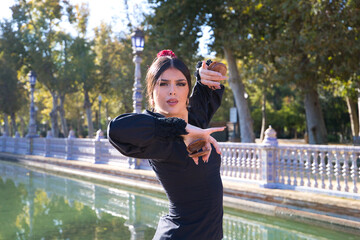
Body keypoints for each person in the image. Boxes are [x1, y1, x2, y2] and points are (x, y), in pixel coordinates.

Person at [108, 50, 227, 239]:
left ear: (188, 90)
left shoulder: (195, 117)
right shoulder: (157, 135)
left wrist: (203, 71)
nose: (173, 90)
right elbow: (115, 130)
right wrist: (179, 129)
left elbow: (208, 83)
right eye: (163, 84)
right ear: (152, 94)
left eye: (180, 84)